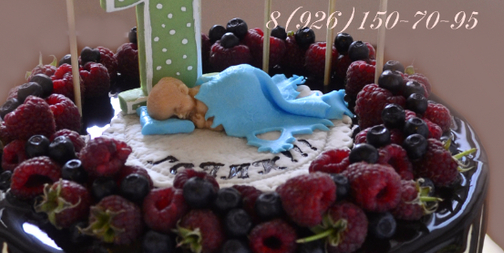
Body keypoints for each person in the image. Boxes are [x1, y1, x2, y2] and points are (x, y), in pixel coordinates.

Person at [145, 64, 350, 154]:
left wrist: (204, 125)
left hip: (243, 84)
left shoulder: (202, 98)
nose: (180, 115)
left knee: (269, 111)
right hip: (243, 77)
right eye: (174, 115)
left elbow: (222, 122)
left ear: (183, 89)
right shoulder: (194, 104)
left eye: (178, 108)